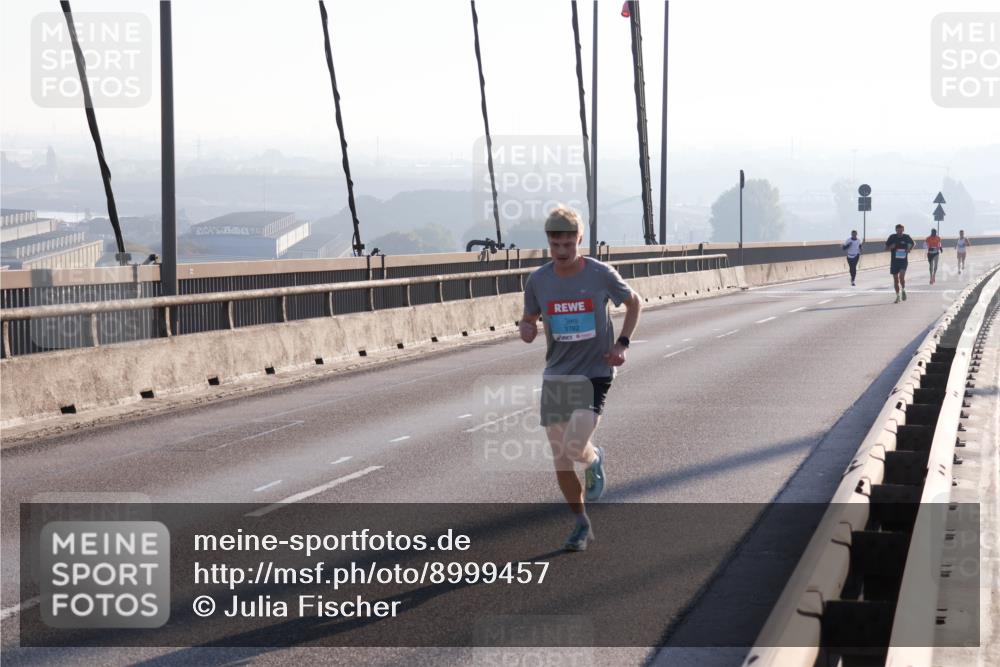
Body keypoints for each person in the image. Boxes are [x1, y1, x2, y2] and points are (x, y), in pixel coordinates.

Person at [520, 206, 642, 551]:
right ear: (548, 242)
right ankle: (581, 524)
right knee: (560, 455)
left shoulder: (601, 274)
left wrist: (622, 343)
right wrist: (526, 327)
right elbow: (529, 318)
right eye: (555, 245)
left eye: (568, 244)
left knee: (575, 447)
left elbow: (634, 303)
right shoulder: (538, 280)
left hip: (595, 371)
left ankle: (594, 458)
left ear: (580, 240)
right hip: (557, 373)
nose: (561, 252)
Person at [885, 224, 915, 303]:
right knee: (895, 280)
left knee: (901, 277)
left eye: (901, 230)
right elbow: (886, 248)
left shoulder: (906, 237)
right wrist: (891, 247)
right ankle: (898, 296)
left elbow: (913, 243)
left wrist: (909, 249)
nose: (899, 232)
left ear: (903, 230)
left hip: (903, 261)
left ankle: (903, 289)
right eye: (898, 230)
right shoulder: (892, 237)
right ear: (896, 230)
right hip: (894, 262)